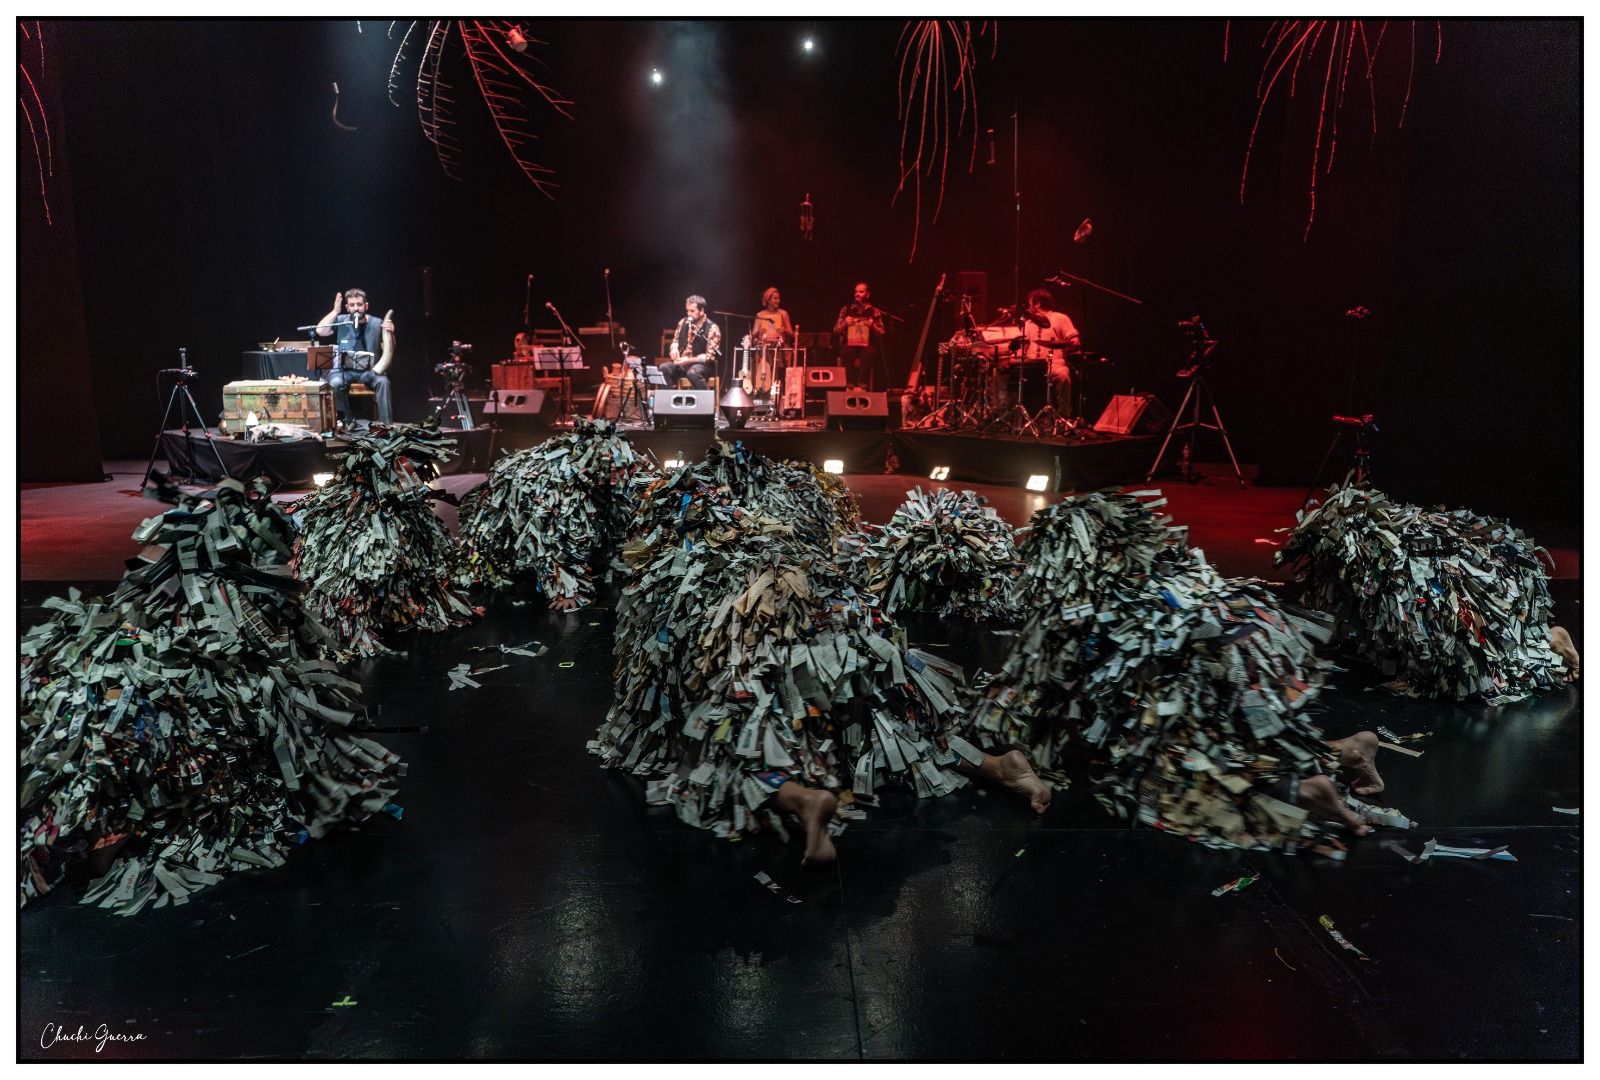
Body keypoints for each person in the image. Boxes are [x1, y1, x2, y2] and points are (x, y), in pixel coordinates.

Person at [314, 289, 394, 423]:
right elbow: (320, 331)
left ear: (366, 306)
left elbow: (390, 347)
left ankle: (387, 426)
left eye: (359, 304)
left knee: (384, 382)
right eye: (352, 305)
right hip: (344, 372)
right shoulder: (340, 320)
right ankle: (349, 422)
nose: (356, 308)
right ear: (347, 307)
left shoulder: (376, 323)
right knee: (334, 383)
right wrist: (335, 311)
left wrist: (391, 333)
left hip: (369, 372)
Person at [998, 287, 1079, 415]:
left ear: (1037, 304)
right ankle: (1002, 411)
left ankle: (1064, 415)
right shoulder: (1028, 323)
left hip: (1054, 364)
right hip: (1031, 366)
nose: (1028, 308)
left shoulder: (1060, 318)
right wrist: (1012, 359)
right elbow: (1022, 348)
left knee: (1063, 376)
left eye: (1030, 304)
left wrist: (1069, 345)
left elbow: (1075, 341)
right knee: (999, 372)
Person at [660, 294, 721, 390]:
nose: (689, 314)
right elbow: (675, 340)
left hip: (702, 366)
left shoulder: (712, 328)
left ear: (701, 311)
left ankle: (705, 403)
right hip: (682, 364)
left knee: (693, 373)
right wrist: (674, 348)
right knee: (664, 368)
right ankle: (673, 402)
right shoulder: (682, 322)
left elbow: (709, 357)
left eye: (692, 311)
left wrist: (687, 361)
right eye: (687, 311)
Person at [834, 281, 887, 390]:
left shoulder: (874, 311)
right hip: (850, 343)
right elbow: (835, 331)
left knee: (870, 352)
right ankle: (850, 382)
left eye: (861, 292)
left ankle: (863, 382)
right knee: (846, 351)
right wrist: (845, 323)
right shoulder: (846, 309)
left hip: (867, 344)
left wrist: (872, 325)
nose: (857, 294)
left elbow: (881, 333)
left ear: (867, 294)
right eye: (856, 292)